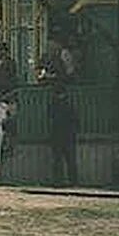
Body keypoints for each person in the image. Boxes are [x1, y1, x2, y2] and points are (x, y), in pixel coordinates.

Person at [38, 36, 78, 186]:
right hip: (67, 133)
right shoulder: (67, 104)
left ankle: (59, 181)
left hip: (59, 132)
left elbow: (69, 73)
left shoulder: (56, 103)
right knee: (68, 156)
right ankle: (71, 181)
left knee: (60, 157)